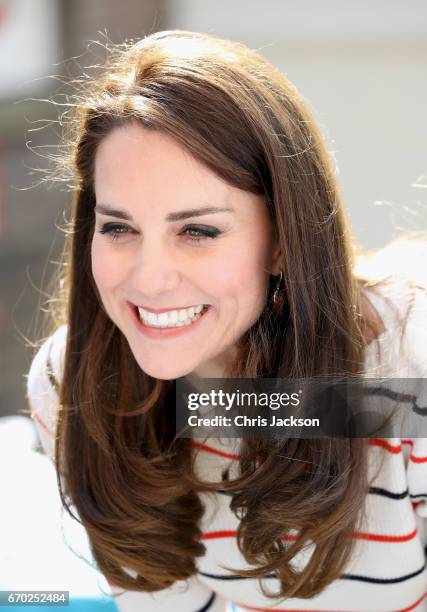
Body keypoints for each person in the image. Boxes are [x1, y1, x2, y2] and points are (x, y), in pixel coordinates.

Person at [26, 30, 427, 611]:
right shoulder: (75, 385)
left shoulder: (407, 370)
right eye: (118, 227)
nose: (149, 278)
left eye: (198, 231)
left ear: (286, 238)